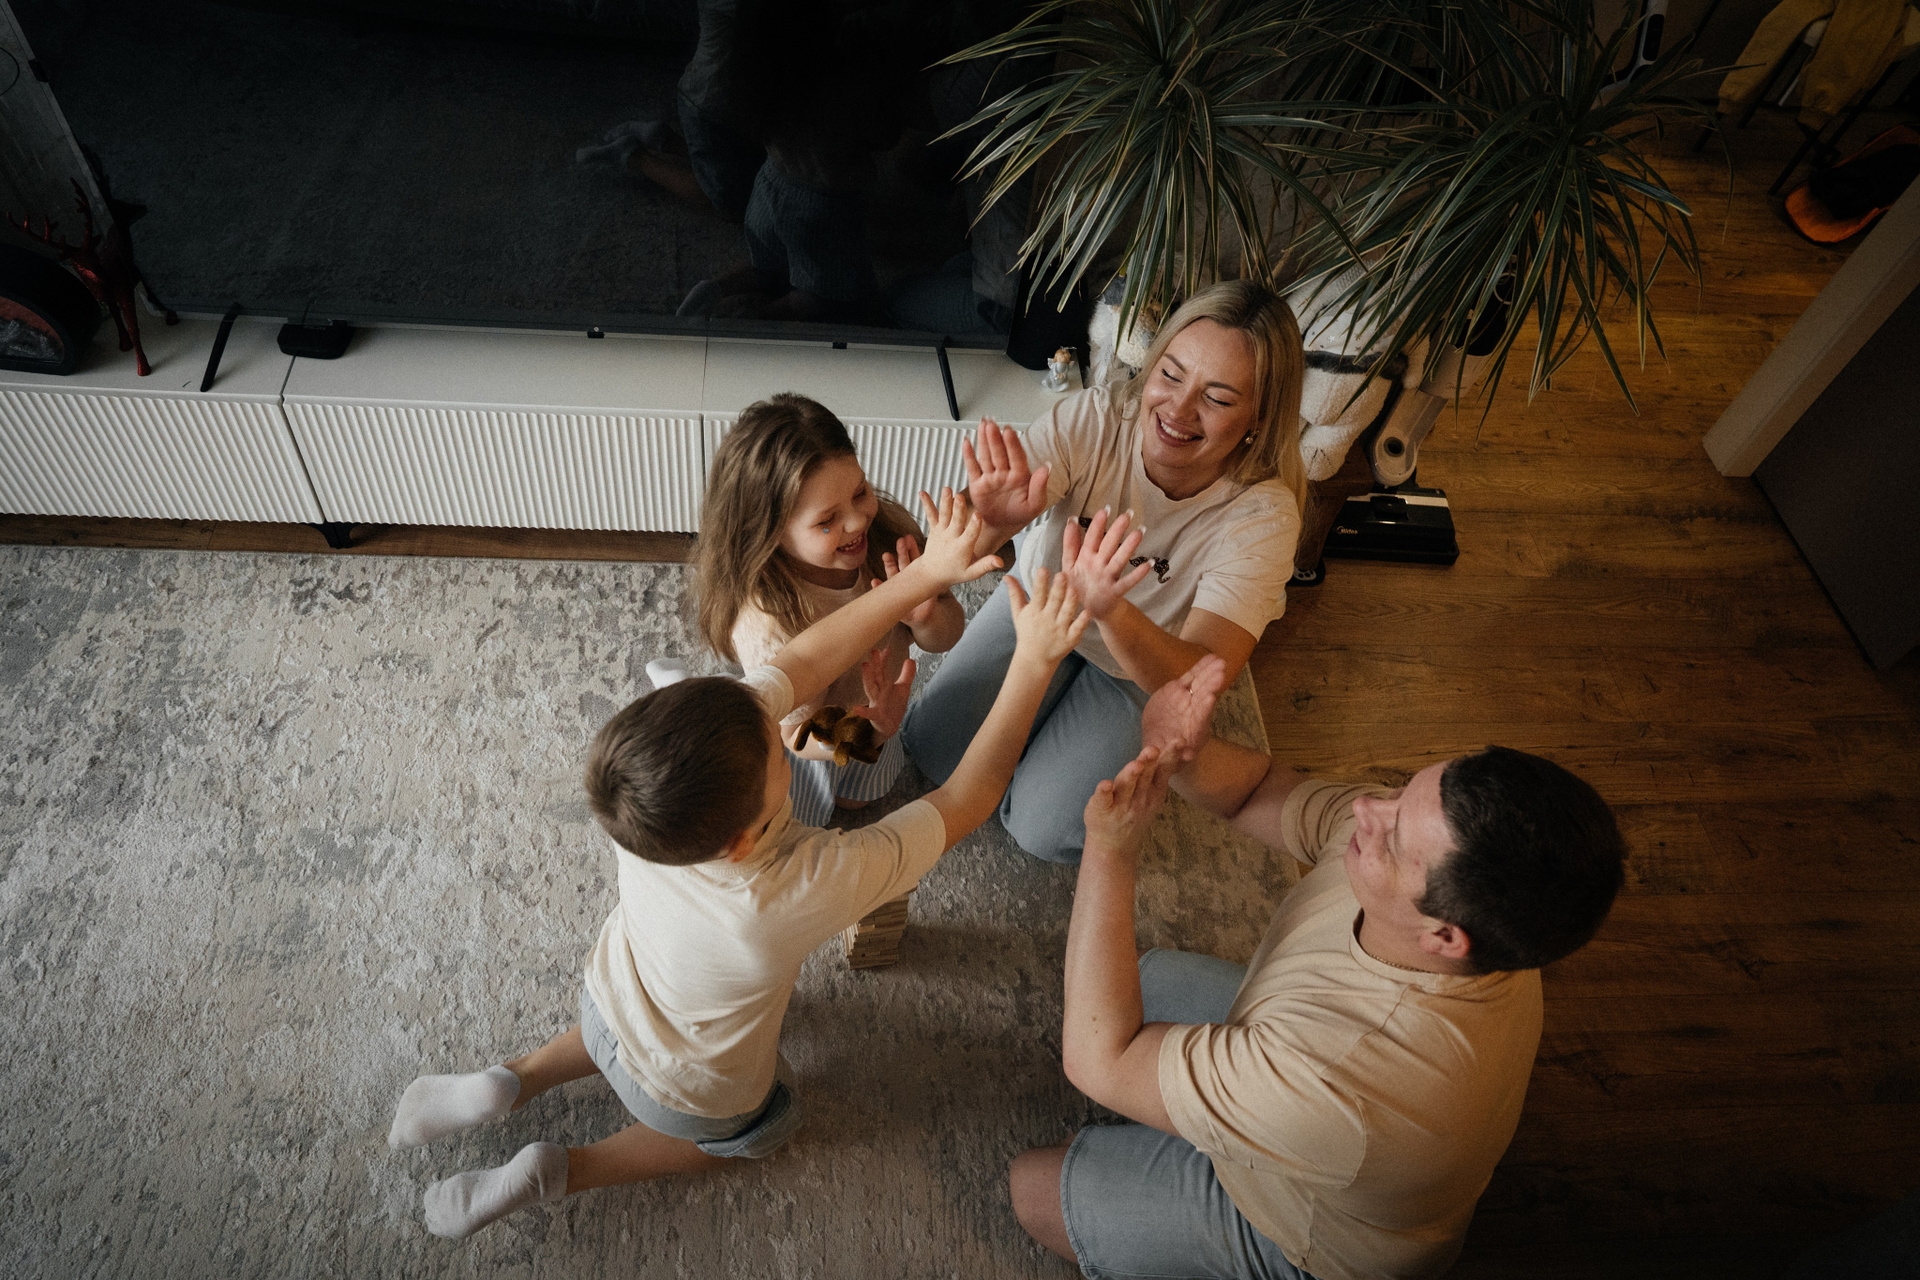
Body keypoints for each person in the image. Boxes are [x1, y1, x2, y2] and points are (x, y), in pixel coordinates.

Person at [386, 491, 1091, 1240]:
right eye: (780, 754)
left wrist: (925, 577)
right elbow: (965, 800)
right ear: (744, 840)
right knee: (752, 1131)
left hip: (611, 992)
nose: (783, 725)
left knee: (613, 1027)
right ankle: (564, 1168)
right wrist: (1034, 661)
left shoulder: (644, 797)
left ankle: (510, 1080)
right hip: (689, 1090)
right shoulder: (793, 890)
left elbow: (802, 661)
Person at [1009, 656, 1628, 1280]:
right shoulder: (1490, 914)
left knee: (1033, 1187)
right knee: (1135, 983)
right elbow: (1255, 792)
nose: (1366, 809)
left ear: (1444, 936)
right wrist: (1183, 750)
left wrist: (1111, 850)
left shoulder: (1334, 1080)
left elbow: (1099, 1061)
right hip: (1317, 1104)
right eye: (1402, 791)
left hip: (1302, 1234)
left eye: (1393, 837)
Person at [901, 279, 1309, 863]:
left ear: (1259, 418)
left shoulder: (1264, 516)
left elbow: (1199, 676)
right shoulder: (1095, 418)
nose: (1178, 410)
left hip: (1140, 671)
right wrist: (993, 522)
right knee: (931, 750)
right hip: (1044, 610)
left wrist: (1110, 611)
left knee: (1040, 829)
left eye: (1218, 399)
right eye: (1171, 375)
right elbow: (974, 538)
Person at [696, 392, 965, 826]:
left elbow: (946, 636)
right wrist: (869, 732)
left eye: (860, 492)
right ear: (767, 533)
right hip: (813, 739)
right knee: (807, 818)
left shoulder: (889, 536)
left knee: (858, 801)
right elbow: (793, 735)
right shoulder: (766, 621)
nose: (858, 521)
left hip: (881, 707)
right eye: (827, 520)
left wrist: (926, 618)